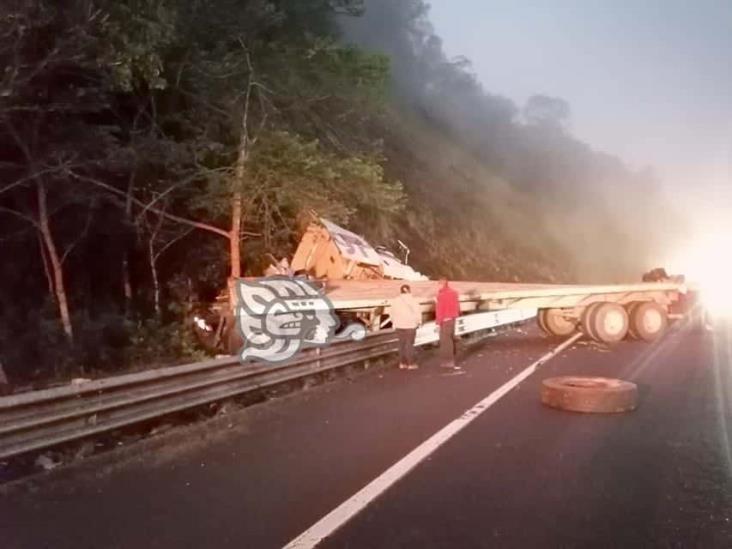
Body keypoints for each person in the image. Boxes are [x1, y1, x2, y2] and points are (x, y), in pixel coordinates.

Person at [390, 284, 422, 370]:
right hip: (410, 325)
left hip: (399, 325)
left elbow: (392, 314)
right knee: (409, 344)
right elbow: (417, 313)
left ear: (400, 291)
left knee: (401, 344)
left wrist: (394, 322)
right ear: (409, 290)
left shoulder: (395, 301)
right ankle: (411, 363)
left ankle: (402, 363)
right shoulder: (413, 300)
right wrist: (419, 322)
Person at [436, 278, 461, 371]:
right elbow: (458, 306)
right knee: (451, 339)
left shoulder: (441, 295)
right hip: (452, 319)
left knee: (445, 342)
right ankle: (451, 361)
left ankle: (448, 362)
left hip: (445, 320)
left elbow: (440, 309)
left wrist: (438, 322)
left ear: (442, 285)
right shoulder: (454, 293)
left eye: (438, 284)